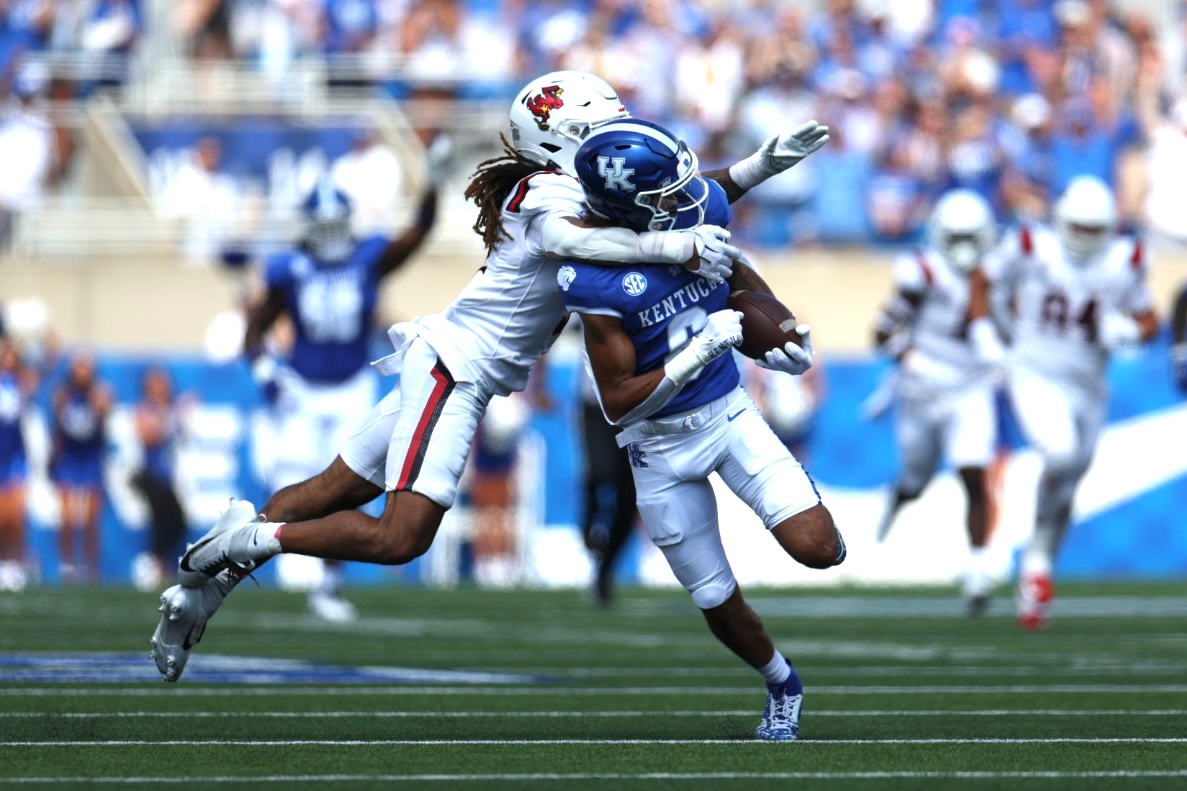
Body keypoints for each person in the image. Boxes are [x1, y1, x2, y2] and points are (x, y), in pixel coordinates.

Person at [150, 68, 826, 683]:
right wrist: (671, 246)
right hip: (456, 371)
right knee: (399, 536)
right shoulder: (541, 190)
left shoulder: (575, 183)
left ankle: (203, 579)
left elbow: (666, 196)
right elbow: (579, 241)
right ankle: (249, 539)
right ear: (561, 141)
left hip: (454, 365)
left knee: (334, 486)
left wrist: (755, 168)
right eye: (599, 131)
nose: (618, 143)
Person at [558, 118, 845, 741]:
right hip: (655, 447)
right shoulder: (593, 278)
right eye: (668, 195)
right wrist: (701, 348)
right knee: (715, 598)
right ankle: (781, 683)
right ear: (627, 211)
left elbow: (734, 269)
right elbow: (618, 406)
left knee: (820, 550)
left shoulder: (687, 205)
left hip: (728, 415)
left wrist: (783, 333)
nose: (690, 200)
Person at [243, 159, 443, 622]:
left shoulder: (368, 257)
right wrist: (266, 373)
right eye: (324, 226)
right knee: (289, 486)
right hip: (301, 387)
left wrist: (431, 183)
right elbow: (254, 331)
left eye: (338, 225)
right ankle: (242, 563)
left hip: (352, 385)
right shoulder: (290, 268)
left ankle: (329, 584)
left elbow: (419, 230)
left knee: (341, 491)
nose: (332, 235)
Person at [974, 175, 1158, 630]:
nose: (1085, 238)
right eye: (1079, 227)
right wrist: (989, 332)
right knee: (1060, 454)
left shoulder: (1125, 260)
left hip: (1089, 387)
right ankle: (1035, 566)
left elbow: (1149, 316)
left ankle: (1038, 567)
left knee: (1069, 481)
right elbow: (983, 279)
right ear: (1061, 221)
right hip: (1033, 372)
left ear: (1111, 229)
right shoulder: (1032, 246)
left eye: (1096, 230)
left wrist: (1132, 330)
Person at [871, 189, 1003, 615]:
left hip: (970, 387)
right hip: (922, 392)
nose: (965, 247)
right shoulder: (922, 271)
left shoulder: (1000, 272)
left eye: (972, 237)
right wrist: (922, 365)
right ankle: (898, 496)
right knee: (918, 479)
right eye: (956, 236)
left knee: (973, 472)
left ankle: (979, 568)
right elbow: (883, 333)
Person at [50, 349, 112, 585]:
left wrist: (101, 404)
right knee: (66, 517)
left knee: (90, 520)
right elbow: (57, 429)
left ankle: (90, 566)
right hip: (68, 460)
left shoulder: (100, 394)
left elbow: (106, 415)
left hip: (91, 460)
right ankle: (67, 565)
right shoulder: (64, 395)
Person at [130, 366, 189, 590]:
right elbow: (148, 434)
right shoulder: (147, 409)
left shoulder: (168, 410)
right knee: (160, 523)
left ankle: (159, 563)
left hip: (167, 476)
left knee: (176, 523)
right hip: (151, 474)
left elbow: (181, 434)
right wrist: (169, 418)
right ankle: (153, 564)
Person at [0, 338, 34, 591]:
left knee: (16, 514)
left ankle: (14, 562)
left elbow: (44, 366)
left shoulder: (21, 382)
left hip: (16, 456)